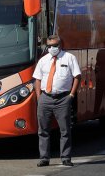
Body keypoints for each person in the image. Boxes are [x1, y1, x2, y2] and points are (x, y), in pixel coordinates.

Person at [33, 35, 81, 167]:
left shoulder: (69, 58)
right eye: (49, 46)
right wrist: (39, 97)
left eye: (54, 45)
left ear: (60, 45)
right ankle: (44, 158)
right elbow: (37, 79)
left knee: (65, 130)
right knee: (43, 130)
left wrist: (71, 95)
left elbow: (77, 76)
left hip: (63, 98)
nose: (52, 48)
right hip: (45, 98)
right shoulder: (43, 60)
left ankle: (65, 158)